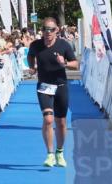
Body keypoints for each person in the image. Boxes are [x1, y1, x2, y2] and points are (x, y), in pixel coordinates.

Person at [27, 16, 78, 167]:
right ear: (41, 31)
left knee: (61, 122)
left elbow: (76, 64)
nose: (48, 32)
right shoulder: (36, 45)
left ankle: (59, 152)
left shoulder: (64, 45)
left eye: (51, 29)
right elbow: (30, 55)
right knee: (48, 119)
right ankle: (49, 155)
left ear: (57, 30)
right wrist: (32, 67)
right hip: (44, 86)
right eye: (45, 29)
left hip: (61, 87)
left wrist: (65, 63)